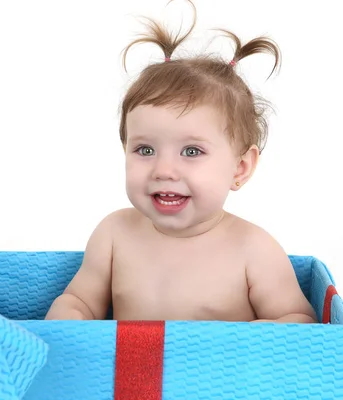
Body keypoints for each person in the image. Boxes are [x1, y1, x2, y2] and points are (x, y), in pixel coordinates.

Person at [45, 0, 316, 323]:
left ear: (240, 168)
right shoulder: (114, 234)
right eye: (145, 150)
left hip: (221, 373)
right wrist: (67, 317)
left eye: (191, 151)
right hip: (130, 375)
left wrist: (246, 341)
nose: (164, 171)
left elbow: (298, 320)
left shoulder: (254, 250)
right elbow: (80, 301)